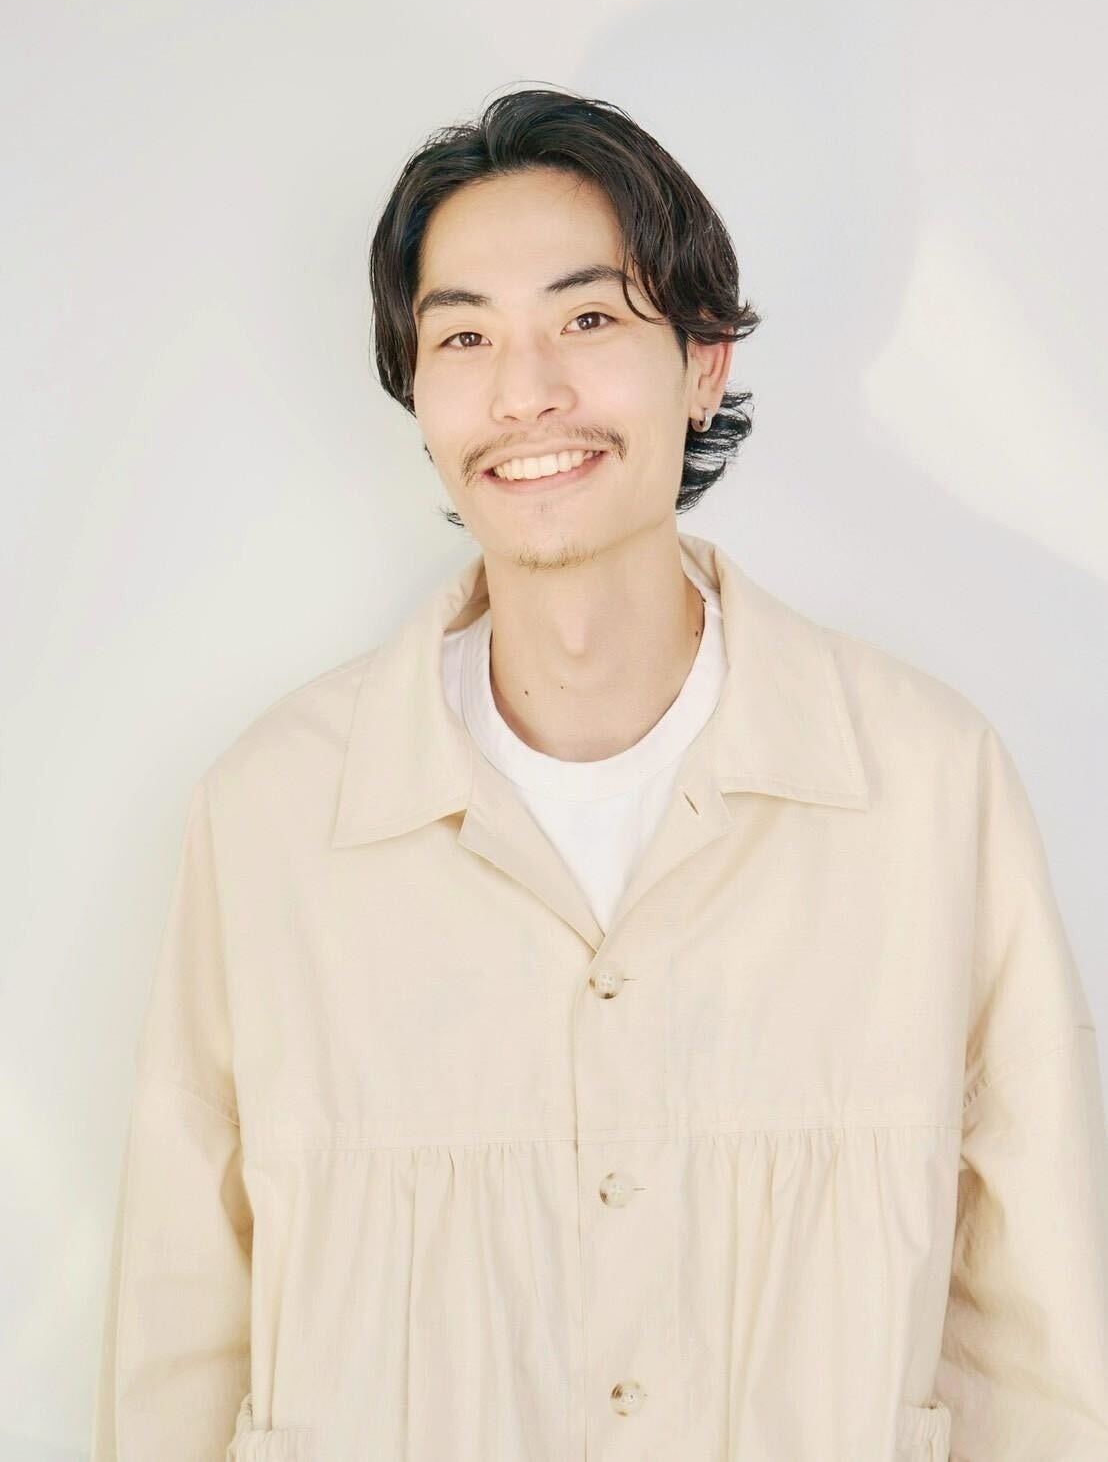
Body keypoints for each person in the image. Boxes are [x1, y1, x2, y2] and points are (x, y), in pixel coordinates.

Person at [91, 87, 1108, 1461]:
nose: (525, 393)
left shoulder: (928, 787)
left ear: (704, 363)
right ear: (418, 393)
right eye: (465, 336)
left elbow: (1041, 1339)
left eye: (587, 319)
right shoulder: (273, 817)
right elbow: (176, 1334)